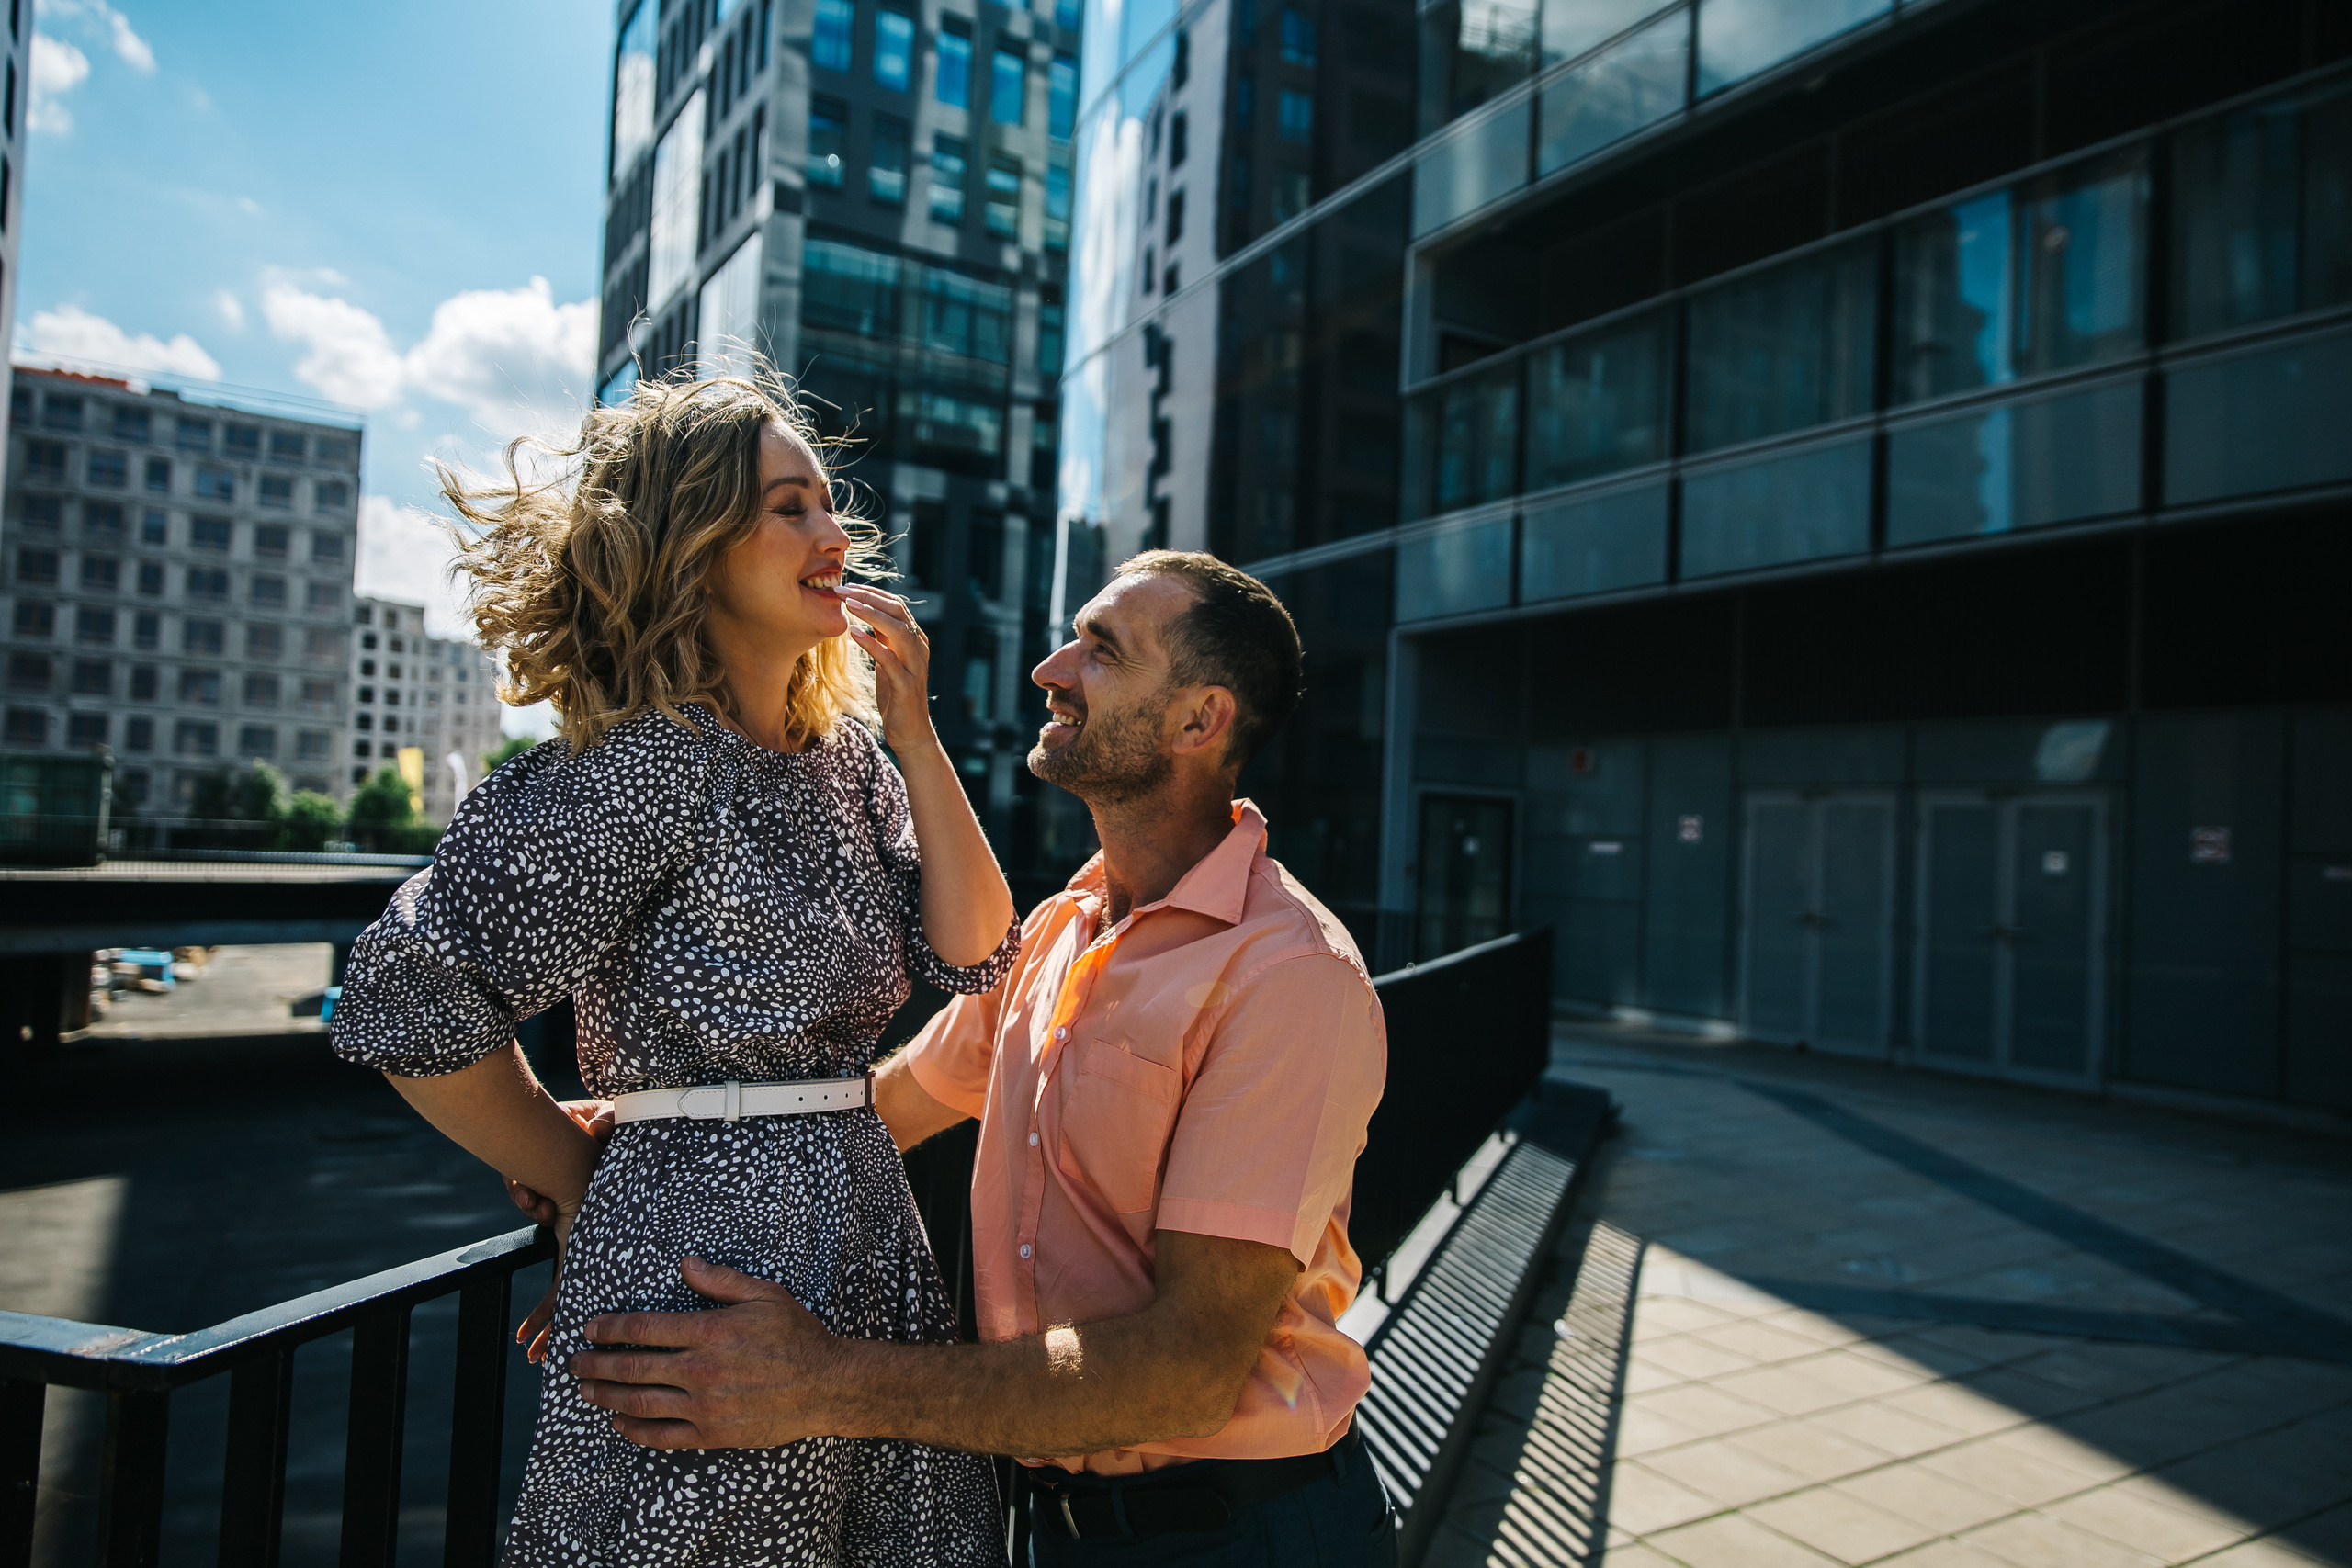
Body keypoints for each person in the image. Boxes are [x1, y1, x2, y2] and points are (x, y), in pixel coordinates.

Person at [562, 552, 1396, 1566]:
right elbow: (889, 1102)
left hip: (1244, 1536)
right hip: (1053, 1519)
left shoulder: (1291, 977)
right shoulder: (1056, 930)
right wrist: (661, 1138)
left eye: (1101, 649)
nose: (1050, 668)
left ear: (1197, 721)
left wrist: (828, 1381)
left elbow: (1184, 1372)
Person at [327, 368, 1023, 1565]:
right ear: (694, 545)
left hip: (867, 1262)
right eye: (788, 506)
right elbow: (405, 988)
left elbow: (976, 953)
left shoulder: (849, 763)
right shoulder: (650, 760)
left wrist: (915, 735)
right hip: (701, 1281)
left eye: (826, 503)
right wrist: (570, 1163)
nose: (831, 531)